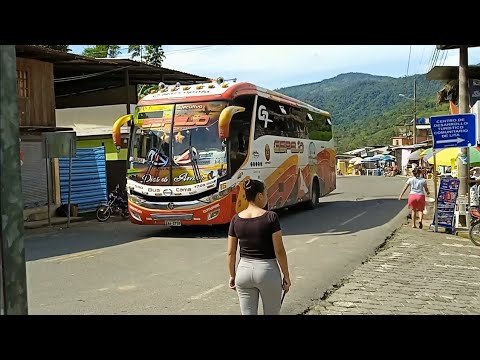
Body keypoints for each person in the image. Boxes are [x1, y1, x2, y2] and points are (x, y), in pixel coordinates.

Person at [227, 179, 291, 315]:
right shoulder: (271, 217)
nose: (266, 197)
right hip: (267, 271)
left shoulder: (236, 219)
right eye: (266, 194)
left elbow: (231, 253)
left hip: (243, 271)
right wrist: (286, 275)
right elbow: (279, 250)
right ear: (260, 196)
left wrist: (232, 275)